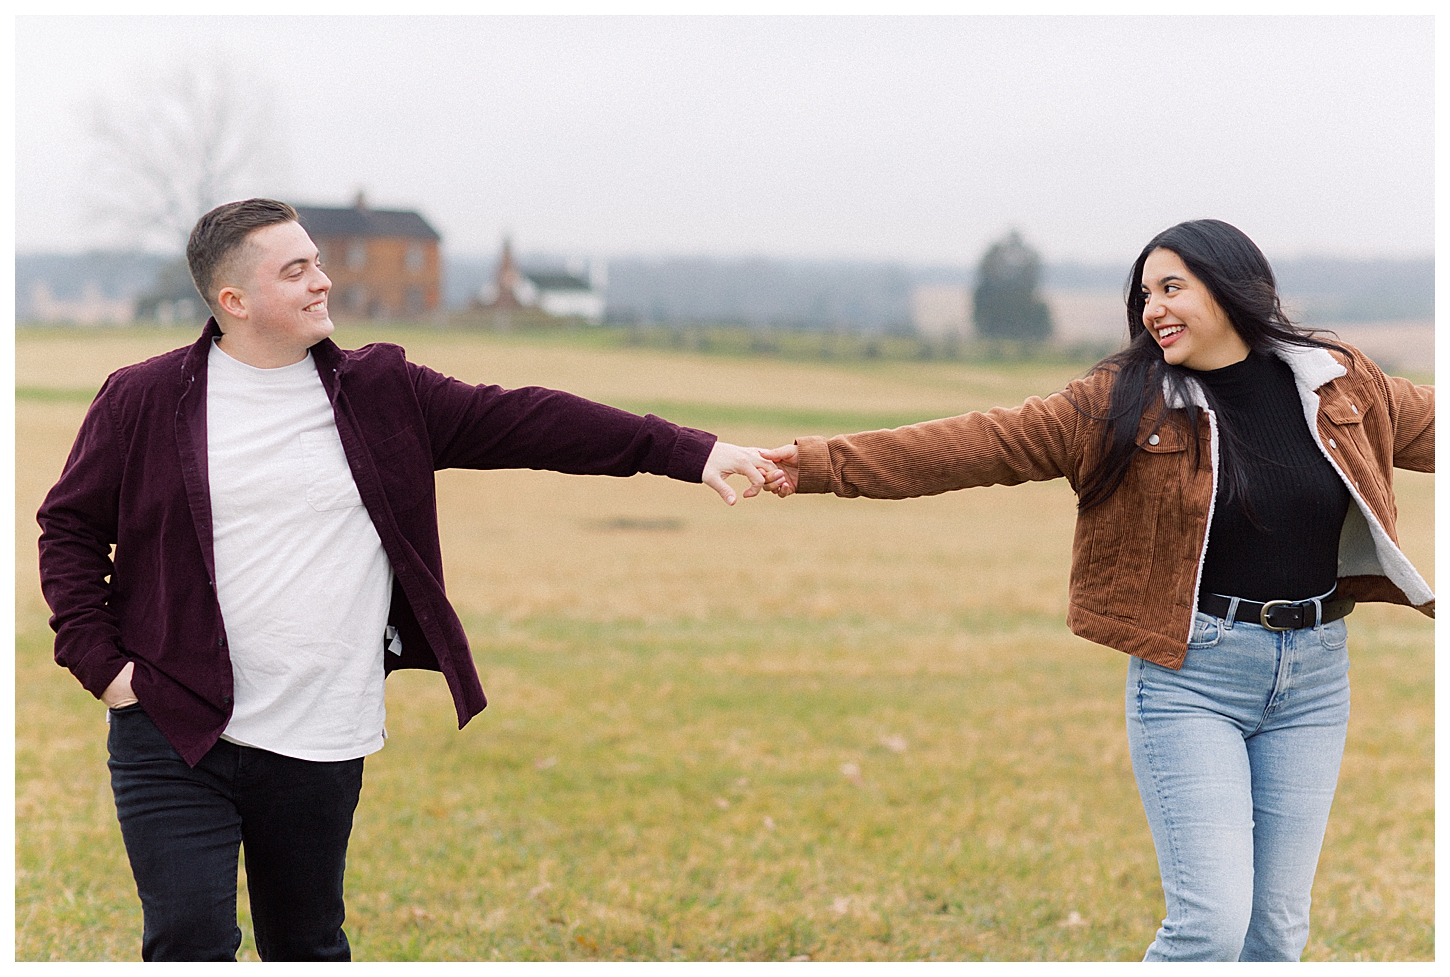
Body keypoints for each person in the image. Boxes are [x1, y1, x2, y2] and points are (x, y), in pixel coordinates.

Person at [36, 198, 782, 962]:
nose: (322, 281)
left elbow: (531, 419)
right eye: (296, 271)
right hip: (172, 724)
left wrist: (691, 451)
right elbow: (69, 527)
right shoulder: (145, 398)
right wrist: (106, 670)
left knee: (306, 943)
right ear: (235, 301)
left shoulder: (380, 392)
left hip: (317, 733)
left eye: (317, 261)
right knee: (188, 939)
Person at [760, 219, 1433, 961]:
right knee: (1209, 924)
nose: (1152, 308)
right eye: (1144, 293)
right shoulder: (1123, 401)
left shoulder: (1338, 381)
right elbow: (980, 443)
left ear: (1235, 288)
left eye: (1171, 286)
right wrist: (820, 463)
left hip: (1313, 678)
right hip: (1191, 677)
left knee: (1275, 930)